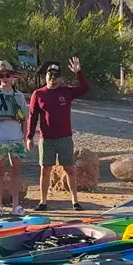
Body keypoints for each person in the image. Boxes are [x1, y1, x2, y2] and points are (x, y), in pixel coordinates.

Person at [27, 57, 89, 211]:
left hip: (64, 138)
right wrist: (29, 137)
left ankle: (75, 201)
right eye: (50, 76)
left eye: (56, 76)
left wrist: (78, 73)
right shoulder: (38, 94)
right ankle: (43, 202)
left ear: (60, 78)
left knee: (69, 168)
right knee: (45, 169)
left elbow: (85, 88)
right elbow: (33, 116)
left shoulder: (66, 91)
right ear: (46, 77)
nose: (53, 79)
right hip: (46, 139)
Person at [0, 60, 29, 217]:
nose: (5, 78)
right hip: (0, 137)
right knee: (0, 170)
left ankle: (16, 205)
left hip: (16, 137)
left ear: (12, 77)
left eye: (7, 75)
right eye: (1, 75)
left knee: (16, 170)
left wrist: (24, 137)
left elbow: (25, 118)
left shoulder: (19, 95)